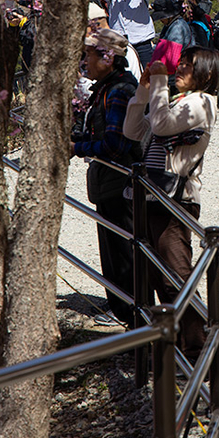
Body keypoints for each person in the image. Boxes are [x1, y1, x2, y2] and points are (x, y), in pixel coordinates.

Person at [123, 46, 219, 359]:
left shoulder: (201, 103)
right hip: (154, 194)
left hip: (176, 200)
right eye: (179, 64)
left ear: (205, 74)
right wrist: (144, 88)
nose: (179, 69)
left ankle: (195, 347)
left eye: (188, 66)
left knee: (176, 273)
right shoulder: (176, 99)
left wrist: (161, 81)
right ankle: (170, 344)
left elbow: (163, 125)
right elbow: (134, 130)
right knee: (155, 272)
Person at [71, 28, 141, 326]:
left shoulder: (117, 91)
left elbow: (115, 145)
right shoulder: (110, 87)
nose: (84, 61)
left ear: (108, 58)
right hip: (111, 182)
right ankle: (125, 308)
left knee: (121, 252)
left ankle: (127, 312)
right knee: (115, 249)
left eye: (88, 54)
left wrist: (78, 147)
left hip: (119, 181)